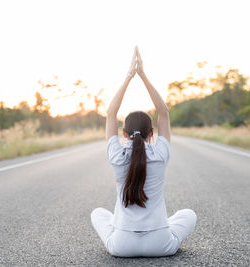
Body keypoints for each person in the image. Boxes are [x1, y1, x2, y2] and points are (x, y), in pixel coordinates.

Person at [91, 46, 197, 257]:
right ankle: (159, 224)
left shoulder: (116, 156)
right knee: (188, 214)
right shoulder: (160, 154)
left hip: (122, 246)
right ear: (152, 134)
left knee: (98, 213)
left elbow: (111, 112)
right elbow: (164, 112)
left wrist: (130, 75)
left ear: (124, 133)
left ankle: (132, 228)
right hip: (161, 244)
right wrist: (144, 75)